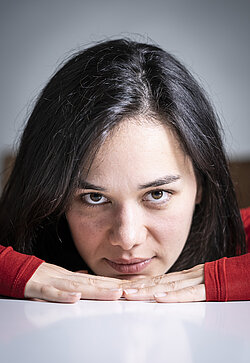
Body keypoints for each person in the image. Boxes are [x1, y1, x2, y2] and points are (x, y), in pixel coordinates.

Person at [0, 38, 249, 303]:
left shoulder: (235, 236)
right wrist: (17, 272)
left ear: (201, 183)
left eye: (157, 194)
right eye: (94, 197)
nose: (127, 238)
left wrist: (224, 278)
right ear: (55, 196)